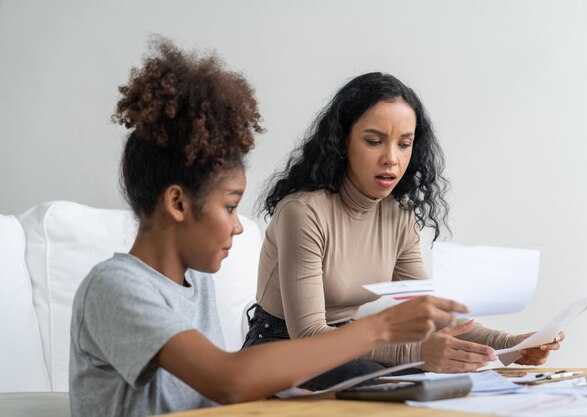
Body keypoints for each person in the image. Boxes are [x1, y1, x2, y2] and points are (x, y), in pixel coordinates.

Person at [68, 39, 469, 417]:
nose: (239, 227)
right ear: (177, 203)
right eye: (230, 206)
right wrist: (379, 329)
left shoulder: (194, 282)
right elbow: (227, 379)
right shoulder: (115, 287)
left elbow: (218, 397)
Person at [242, 72, 564, 389]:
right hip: (280, 349)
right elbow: (309, 336)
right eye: (374, 141)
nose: (391, 159)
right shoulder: (303, 212)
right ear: (343, 142)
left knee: (411, 380)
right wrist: (419, 353)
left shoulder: (398, 214)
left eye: (404, 144)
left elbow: (434, 312)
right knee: (389, 377)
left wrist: (511, 345)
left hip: (352, 345)